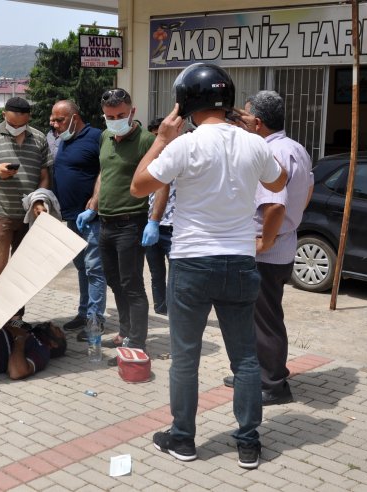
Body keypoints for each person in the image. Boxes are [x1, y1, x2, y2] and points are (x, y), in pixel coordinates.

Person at [130, 64, 287, 469]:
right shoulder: (256, 144)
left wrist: (161, 139)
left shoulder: (185, 144)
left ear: (184, 103)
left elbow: (139, 185)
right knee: (246, 359)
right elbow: (277, 181)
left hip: (191, 262)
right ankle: (248, 443)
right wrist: (249, 139)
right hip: (239, 261)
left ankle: (183, 438)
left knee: (186, 358)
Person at [221, 91, 314, 406]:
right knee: (260, 316)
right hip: (282, 245)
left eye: (247, 117)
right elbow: (309, 188)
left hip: (266, 251)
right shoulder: (295, 148)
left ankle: (272, 384)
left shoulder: (265, 153)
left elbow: (274, 206)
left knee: (265, 320)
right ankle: (256, 372)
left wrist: (265, 241)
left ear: (257, 122)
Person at [76, 88, 163, 361]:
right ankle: (125, 331)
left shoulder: (146, 141)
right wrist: (94, 204)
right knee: (114, 280)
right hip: (106, 223)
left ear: (132, 112)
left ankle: (137, 341)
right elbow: (105, 171)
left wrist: (154, 221)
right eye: (110, 116)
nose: (115, 120)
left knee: (132, 284)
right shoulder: (105, 136)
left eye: (121, 115)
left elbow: (162, 182)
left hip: (131, 223)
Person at [0, 97, 51, 316]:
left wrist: (39, 200)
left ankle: (14, 320)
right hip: (0, 213)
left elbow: (44, 175)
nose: (16, 128)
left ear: (28, 118)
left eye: (21, 124)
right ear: (4, 115)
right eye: (12, 124)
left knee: (19, 271)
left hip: (27, 216)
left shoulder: (39, 139)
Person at [49, 100, 107, 336]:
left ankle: (95, 320)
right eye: (52, 119)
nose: (54, 124)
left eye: (59, 120)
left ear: (75, 117)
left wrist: (94, 202)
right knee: (82, 267)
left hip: (93, 217)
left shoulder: (96, 137)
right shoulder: (64, 140)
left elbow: (106, 171)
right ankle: (84, 313)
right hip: (73, 218)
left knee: (94, 269)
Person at [145, 117, 174, 315]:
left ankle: (174, 309)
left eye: (161, 136)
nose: (158, 141)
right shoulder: (149, 164)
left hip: (174, 228)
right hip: (151, 227)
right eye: (155, 136)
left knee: (176, 275)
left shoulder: (178, 158)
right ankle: (160, 309)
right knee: (156, 273)